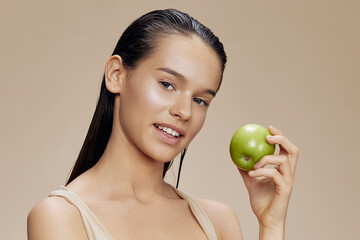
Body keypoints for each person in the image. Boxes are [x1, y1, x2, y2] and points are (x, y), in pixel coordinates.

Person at [27, 9, 298, 240]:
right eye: (167, 84)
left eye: (201, 100)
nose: (184, 112)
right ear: (116, 74)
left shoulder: (219, 223)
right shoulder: (60, 217)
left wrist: (270, 225)